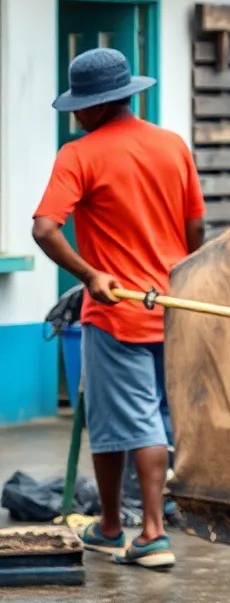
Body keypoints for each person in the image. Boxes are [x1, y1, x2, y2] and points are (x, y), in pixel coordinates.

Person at [33, 47, 206, 569]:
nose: (75, 116)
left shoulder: (79, 154)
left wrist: (90, 276)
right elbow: (196, 227)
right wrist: (179, 277)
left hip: (117, 314)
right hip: (169, 308)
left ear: (97, 104)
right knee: (111, 422)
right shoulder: (172, 145)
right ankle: (109, 527)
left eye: (79, 106)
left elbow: (44, 228)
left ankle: (152, 534)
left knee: (141, 421)